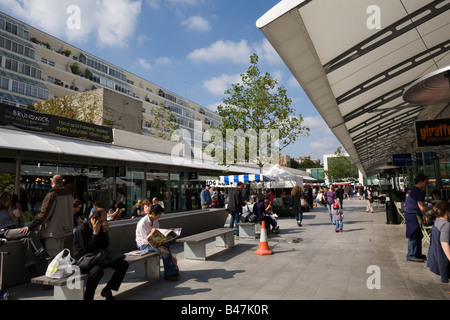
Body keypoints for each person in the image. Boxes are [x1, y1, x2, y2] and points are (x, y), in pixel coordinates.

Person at [73, 207, 129, 300]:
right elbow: (87, 250)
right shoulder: (82, 229)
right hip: (85, 259)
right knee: (97, 272)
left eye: (105, 220)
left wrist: (105, 232)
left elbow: (104, 246)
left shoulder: (101, 226)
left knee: (123, 264)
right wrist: (95, 234)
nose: (104, 222)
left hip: (99, 256)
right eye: (102, 220)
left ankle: (107, 289)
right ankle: (88, 297)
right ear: (94, 218)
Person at [22, 174, 74, 257]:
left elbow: (44, 215)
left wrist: (30, 226)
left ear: (51, 182)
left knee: (54, 259)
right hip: (65, 230)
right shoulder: (69, 194)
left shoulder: (52, 195)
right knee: (60, 256)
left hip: (52, 232)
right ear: (62, 182)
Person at [0, 191, 51, 270]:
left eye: (9, 199)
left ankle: (30, 264)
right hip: (4, 231)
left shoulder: (10, 208)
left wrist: (14, 211)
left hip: (13, 228)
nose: (8, 201)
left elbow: (18, 216)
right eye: (6, 199)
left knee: (26, 240)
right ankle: (40, 252)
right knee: (28, 231)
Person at [135, 201, 179, 281]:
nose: (159, 217)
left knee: (167, 245)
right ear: (153, 213)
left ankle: (170, 272)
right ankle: (170, 273)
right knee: (165, 250)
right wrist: (151, 234)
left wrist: (168, 232)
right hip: (144, 246)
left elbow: (157, 234)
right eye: (159, 215)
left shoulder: (155, 220)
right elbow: (143, 241)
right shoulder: (142, 223)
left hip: (154, 242)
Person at [404, 174, 429, 262]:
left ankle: (417, 253)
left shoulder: (410, 189)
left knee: (418, 235)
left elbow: (413, 200)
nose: (427, 184)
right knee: (414, 235)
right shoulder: (419, 192)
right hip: (413, 214)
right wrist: (434, 207)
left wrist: (425, 200)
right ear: (421, 182)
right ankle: (411, 255)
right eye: (426, 182)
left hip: (408, 213)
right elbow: (422, 208)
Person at [427, 201, 450, 283]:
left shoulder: (437, 221)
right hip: (445, 261)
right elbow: (444, 243)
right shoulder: (446, 225)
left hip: (436, 259)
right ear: (447, 212)